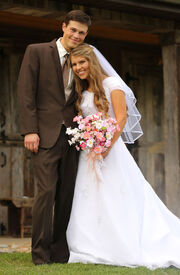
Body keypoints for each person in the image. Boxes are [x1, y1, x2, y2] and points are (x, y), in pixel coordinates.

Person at [66, 43, 180, 270]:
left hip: (111, 150)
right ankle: (90, 243)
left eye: (82, 62)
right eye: (75, 64)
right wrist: (88, 139)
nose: (78, 68)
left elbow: (120, 119)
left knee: (116, 194)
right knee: (89, 195)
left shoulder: (113, 85)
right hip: (89, 151)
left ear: (93, 61)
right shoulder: (84, 89)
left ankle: (120, 243)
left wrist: (105, 147)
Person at [17, 10, 91, 265]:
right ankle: (40, 254)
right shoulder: (36, 51)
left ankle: (60, 252)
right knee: (46, 193)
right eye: (73, 30)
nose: (77, 35)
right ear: (63, 27)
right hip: (44, 134)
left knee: (66, 193)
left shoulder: (83, 58)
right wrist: (29, 130)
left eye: (82, 32)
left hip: (73, 136)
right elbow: (26, 93)